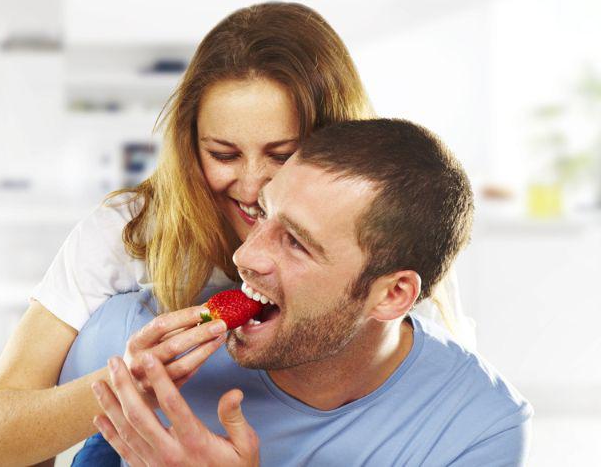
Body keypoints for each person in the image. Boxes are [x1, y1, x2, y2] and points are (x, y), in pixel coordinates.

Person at [0, 2, 469, 466]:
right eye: (222, 155)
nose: (251, 186)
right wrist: (134, 383)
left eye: (283, 155)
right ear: (189, 145)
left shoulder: (389, 271)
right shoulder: (129, 233)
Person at [63, 120, 532, 466]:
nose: (246, 256)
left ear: (391, 295)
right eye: (263, 214)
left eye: (296, 242)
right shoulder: (133, 335)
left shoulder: (477, 427)